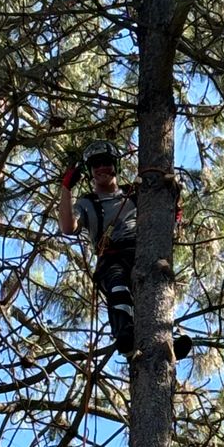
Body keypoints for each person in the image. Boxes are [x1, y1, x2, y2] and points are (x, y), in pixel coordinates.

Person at [60, 140, 191, 360]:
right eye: (96, 165)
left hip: (143, 251)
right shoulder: (87, 203)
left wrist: (173, 199)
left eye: (106, 163)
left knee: (156, 290)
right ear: (90, 172)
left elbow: (166, 220)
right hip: (112, 258)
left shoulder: (136, 195)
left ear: (116, 166)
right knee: (119, 287)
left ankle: (167, 338)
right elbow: (67, 226)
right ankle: (125, 335)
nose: (102, 168)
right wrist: (66, 189)